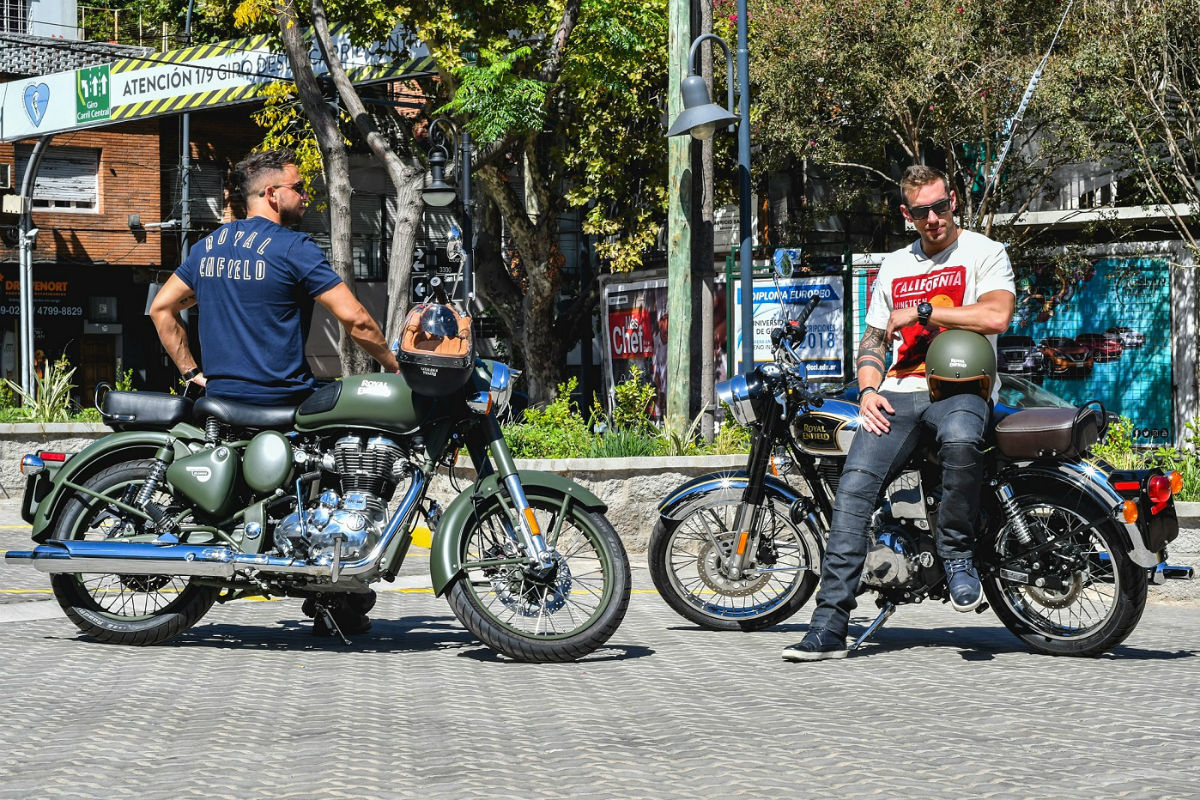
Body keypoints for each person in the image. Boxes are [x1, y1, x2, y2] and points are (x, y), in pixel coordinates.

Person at [149, 147, 400, 635]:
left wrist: (192, 373)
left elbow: (162, 309)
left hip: (223, 397)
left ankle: (335, 590)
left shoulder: (208, 247)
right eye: (299, 187)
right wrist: (395, 366)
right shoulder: (293, 248)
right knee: (352, 439)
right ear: (270, 194)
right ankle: (333, 586)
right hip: (280, 398)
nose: (306, 196)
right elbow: (356, 319)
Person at [783, 165, 1015, 662]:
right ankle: (828, 626)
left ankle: (957, 557)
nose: (935, 219)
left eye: (942, 207)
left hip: (960, 388)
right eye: (923, 211)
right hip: (897, 393)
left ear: (954, 200)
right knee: (853, 492)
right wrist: (868, 390)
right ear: (907, 214)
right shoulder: (893, 266)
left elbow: (996, 315)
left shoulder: (984, 252)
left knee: (960, 440)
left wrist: (927, 311)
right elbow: (874, 340)